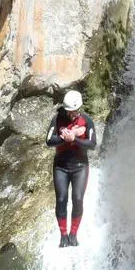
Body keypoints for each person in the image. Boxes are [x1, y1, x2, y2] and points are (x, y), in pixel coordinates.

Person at [45, 90, 97, 247]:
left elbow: (92, 144)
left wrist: (75, 139)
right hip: (61, 166)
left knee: (78, 198)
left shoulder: (87, 121)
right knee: (61, 199)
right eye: (69, 111)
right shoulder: (58, 119)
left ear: (79, 108)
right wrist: (63, 137)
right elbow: (48, 141)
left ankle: (74, 234)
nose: (71, 114)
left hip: (80, 166)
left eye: (74, 111)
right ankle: (63, 235)